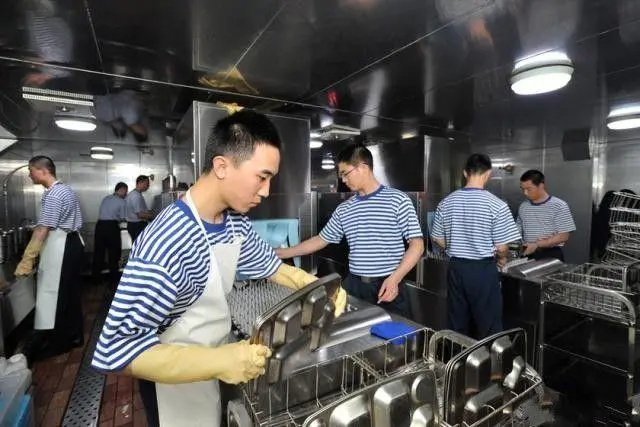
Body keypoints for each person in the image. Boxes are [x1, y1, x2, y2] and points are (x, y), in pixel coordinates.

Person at [91, 110, 346, 427]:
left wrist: (315, 286)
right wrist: (219, 361)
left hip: (208, 364)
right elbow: (117, 350)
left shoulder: (233, 221)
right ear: (222, 166)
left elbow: (269, 265)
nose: (266, 191)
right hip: (170, 378)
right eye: (262, 177)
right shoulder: (167, 240)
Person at [277, 144, 424, 317]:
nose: (343, 180)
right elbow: (320, 240)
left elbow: (417, 245)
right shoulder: (344, 209)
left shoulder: (398, 200)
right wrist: (281, 253)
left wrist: (395, 278)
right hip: (354, 286)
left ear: (362, 167)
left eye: (345, 173)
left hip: (389, 284)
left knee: (394, 332)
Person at [431, 153, 521, 339]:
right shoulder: (497, 205)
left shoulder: (446, 202)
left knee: (456, 323)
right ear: (488, 174)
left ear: (465, 173)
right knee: (488, 325)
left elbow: (437, 237)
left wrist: (454, 246)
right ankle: (488, 358)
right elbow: (502, 247)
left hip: (456, 268)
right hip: (482, 270)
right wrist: (501, 258)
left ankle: (457, 356)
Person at [14, 155, 84, 361]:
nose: (29, 175)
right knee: (70, 294)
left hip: (62, 246)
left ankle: (59, 344)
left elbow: (44, 229)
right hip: (71, 244)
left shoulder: (54, 194)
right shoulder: (64, 189)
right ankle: (75, 336)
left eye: (31, 170)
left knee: (57, 296)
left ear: (43, 170)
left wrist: (27, 258)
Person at [517, 170, 576, 262]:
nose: (525, 193)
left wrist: (538, 244)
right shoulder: (523, 206)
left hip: (550, 254)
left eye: (529, 189)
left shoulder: (559, 205)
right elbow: (518, 230)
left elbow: (564, 236)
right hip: (527, 253)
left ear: (541, 186)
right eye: (523, 189)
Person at [93, 182, 127, 288]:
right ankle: (113, 282)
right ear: (121, 189)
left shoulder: (106, 198)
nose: (126, 194)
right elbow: (122, 218)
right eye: (125, 191)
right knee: (113, 254)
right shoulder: (121, 201)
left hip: (99, 226)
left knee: (99, 253)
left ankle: (96, 280)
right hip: (111, 227)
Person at [125, 175, 153, 243]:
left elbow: (141, 210)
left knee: (137, 244)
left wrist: (149, 212)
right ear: (140, 182)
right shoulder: (136, 196)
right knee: (139, 245)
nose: (148, 186)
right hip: (137, 225)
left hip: (135, 225)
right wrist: (155, 216)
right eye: (147, 184)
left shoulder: (135, 194)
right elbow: (140, 214)